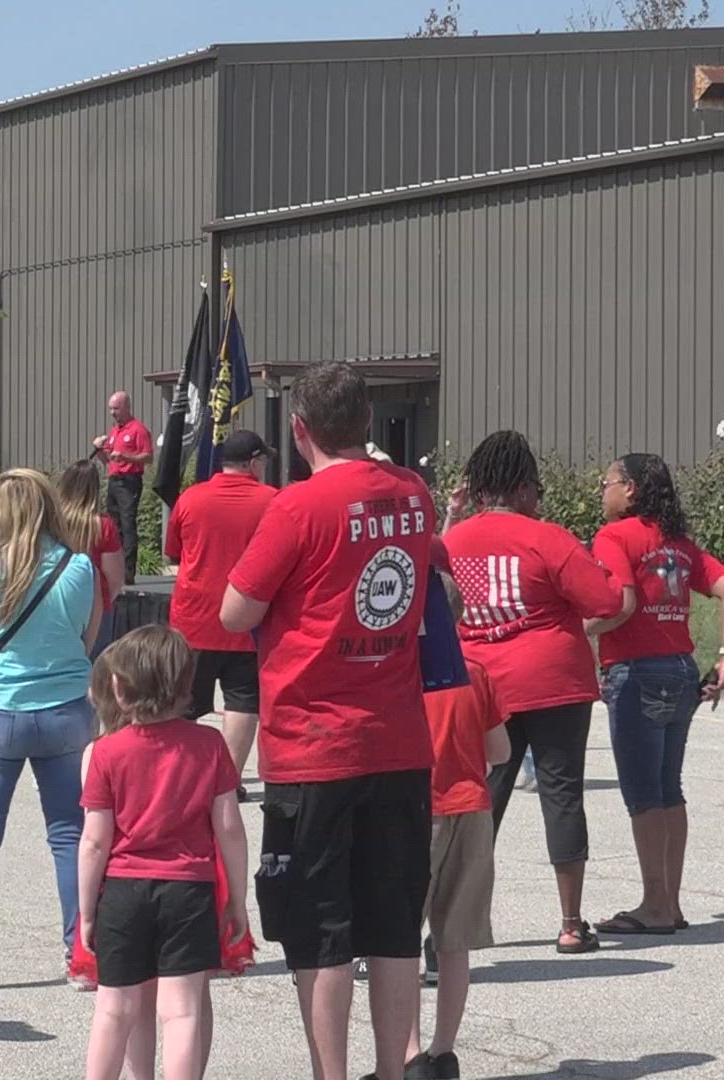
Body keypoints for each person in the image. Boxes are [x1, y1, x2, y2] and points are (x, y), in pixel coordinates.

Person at [220, 360, 437, 1080]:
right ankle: (392, 1069)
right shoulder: (415, 494)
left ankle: (331, 1074)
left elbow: (235, 611)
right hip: (399, 738)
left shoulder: (298, 507)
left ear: (299, 429)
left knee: (321, 929)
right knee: (394, 921)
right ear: (369, 423)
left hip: (314, 743)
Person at [441, 430, 620, 955]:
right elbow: (604, 600)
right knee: (562, 796)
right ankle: (570, 922)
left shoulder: (454, 541)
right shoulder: (548, 538)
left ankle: (454, 922)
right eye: (536, 489)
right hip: (553, 681)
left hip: (481, 681)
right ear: (521, 489)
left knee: (481, 800)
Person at [0, 468, 100, 992]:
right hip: (64, 711)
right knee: (70, 837)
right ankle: (79, 954)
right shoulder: (79, 567)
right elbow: (87, 637)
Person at [78, 626, 248, 1080]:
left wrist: (86, 911)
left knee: (114, 1008)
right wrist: (237, 899)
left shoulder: (106, 753)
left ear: (117, 686)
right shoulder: (210, 745)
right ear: (186, 686)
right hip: (188, 891)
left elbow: (95, 841)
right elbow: (228, 827)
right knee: (183, 1011)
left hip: (123, 890)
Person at [587, 453, 724, 937]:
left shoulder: (613, 537)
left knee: (643, 794)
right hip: (681, 669)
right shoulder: (680, 545)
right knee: (669, 789)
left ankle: (654, 904)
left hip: (635, 672)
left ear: (632, 490)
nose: (602, 489)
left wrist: (580, 631)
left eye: (609, 481)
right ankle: (671, 900)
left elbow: (620, 603)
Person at [403, 573, 512, 1080]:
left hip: (415, 813)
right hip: (472, 810)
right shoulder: (475, 672)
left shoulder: (402, 674)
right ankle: (444, 1052)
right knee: (455, 941)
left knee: (400, 940)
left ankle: (407, 1051)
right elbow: (501, 752)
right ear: (461, 615)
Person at [164, 430, 276, 798]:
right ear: (254, 462)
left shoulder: (191, 498)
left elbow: (174, 553)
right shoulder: (272, 501)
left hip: (193, 619)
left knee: (182, 702)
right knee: (243, 700)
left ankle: (180, 777)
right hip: (248, 618)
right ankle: (227, 781)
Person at [54, 458, 126, 658]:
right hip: (96, 604)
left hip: (57, 602)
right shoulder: (103, 526)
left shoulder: (52, 522)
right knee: (95, 676)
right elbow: (115, 578)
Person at [95, 390, 154, 562]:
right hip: (114, 480)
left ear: (127, 407)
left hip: (129, 481)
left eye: (116, 409)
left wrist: (125, 457)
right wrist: (99, 449)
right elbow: (108, 461)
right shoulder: (114, 432)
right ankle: (114, 565)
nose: (113, 413)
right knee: (114, 524)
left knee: (128, 524)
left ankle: (128, 570)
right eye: (111, 409)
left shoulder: (138, 430)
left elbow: (148, 457)